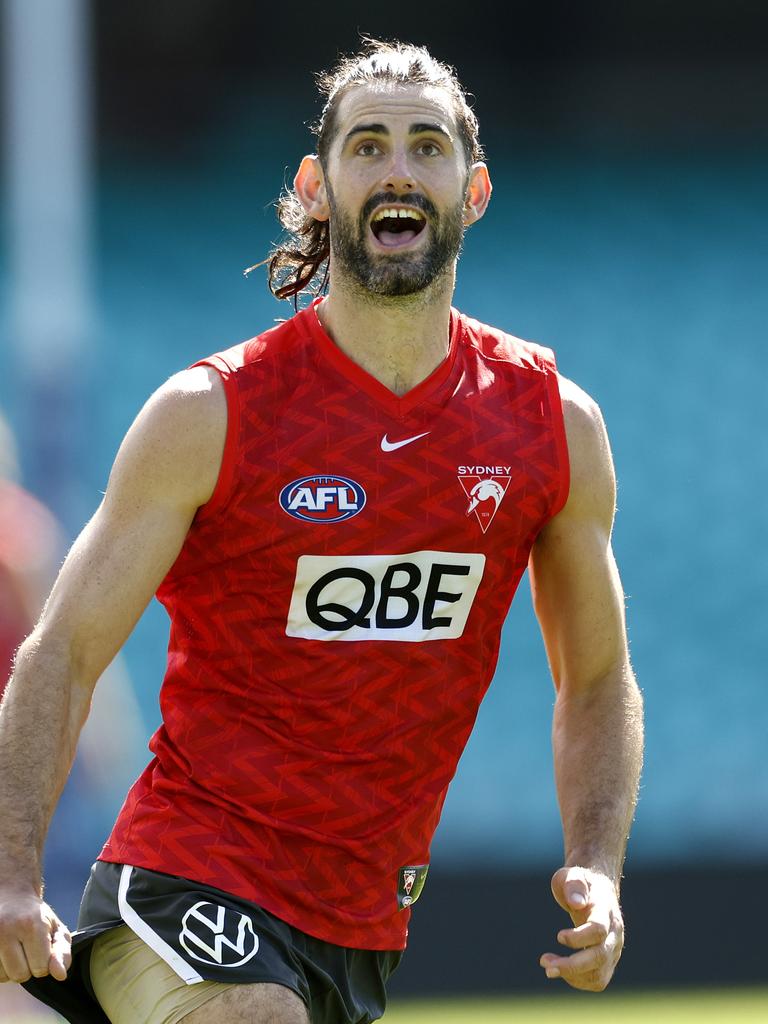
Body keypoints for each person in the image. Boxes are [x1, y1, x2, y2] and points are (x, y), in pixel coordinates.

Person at [0, 39, 643, 1024]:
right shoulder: (209, 414)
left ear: (471, 191)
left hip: (360, 925)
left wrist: (597, 863)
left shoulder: (553, 427)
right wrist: (11, 874)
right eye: (369, 145)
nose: (397, 168)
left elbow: (597, 678)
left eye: (427, 147)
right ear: (317, 183)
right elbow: (63, 652)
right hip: (189, 871)